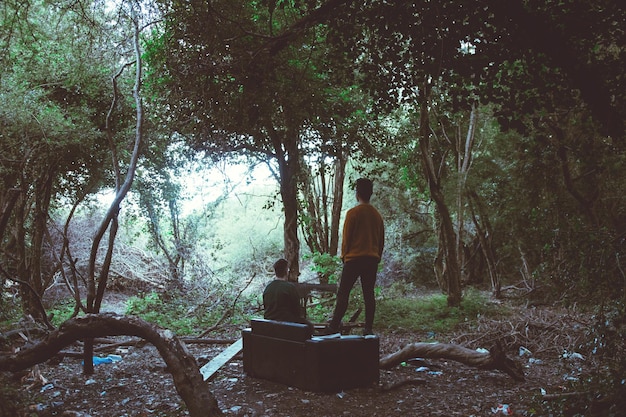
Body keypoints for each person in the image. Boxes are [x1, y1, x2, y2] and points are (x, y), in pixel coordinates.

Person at [326, 178, 385, 336]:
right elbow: (381, 241)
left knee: (343, 293)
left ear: (357, 193)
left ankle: (334, 325)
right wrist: (377, 256)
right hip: (371, 260)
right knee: (369, 294)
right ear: (370, 194)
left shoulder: (353, 213)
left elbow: (347, 238)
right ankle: (368, 328)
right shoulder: (377, 216)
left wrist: (344, 256)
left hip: (353, 259)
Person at [263, 258, 310, 325]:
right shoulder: (290, 287)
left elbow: (266, 308)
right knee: (309, 326)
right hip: (287, 325)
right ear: (287, 271)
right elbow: (297, 311)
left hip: (269, 324)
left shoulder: (268, 288)